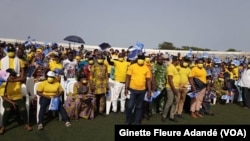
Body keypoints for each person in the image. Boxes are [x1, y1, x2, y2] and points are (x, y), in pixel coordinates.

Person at [0, 68, 32, 135]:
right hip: (8, 100)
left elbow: (23, 79)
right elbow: (3, 96)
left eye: (14, 75)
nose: (13, 76)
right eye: (12, 75)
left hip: (19, 99)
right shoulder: (4, 84)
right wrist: (12, 103)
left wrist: (22, 70)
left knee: (23, 109)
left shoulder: (18, 82)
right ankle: (3, 127)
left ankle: (26, 124)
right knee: (8, 109)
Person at [124, 54, 152, 125]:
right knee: (130, 106)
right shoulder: (132, 67)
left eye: (142, 59)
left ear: (144, 60)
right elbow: (128, 78)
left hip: (142, 90)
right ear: (137, 59)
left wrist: (149, 91)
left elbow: (148, 80)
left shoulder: (146, 68)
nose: (140, 60)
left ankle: (137, 122)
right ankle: (128, 121)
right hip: (132, 89)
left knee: (139, 107)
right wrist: (126, 88)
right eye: (139, 58)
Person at [161, 55, 180, 122]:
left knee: (175, 102)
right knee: (169, 102)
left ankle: (171, 116)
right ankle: (164, 116)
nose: (179, 62)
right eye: (178, 61)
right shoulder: (171, 68)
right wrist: (174, 89)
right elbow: (170, 79)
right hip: (171, 87)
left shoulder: (174, 67)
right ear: (176, 61)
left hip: (176, 87)